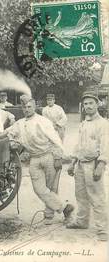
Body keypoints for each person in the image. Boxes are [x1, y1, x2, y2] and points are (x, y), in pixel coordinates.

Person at [6, 97, 74, 224]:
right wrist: (11, 141)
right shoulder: (19, 123)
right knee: (39, 189)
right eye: (24, 107)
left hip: (49, 155)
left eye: (29, 107)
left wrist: (58, 157)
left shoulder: (43, 121)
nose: (27, 109)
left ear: (34, 107)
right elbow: (8, 133)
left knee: (51, 188)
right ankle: (65, 208)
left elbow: (55, 139)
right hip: (34, 158)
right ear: (22, 108)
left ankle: (49, 215)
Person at [66, 91, 108, 242]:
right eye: (85, 104)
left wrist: (101, 165)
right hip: (80, 165)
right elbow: (78, 145)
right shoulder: (84, 123)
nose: (88, 106)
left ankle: (103, 229)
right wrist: (72, 162)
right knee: (81, 195)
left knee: (97, 198)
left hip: (93, 165)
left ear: (97, 104)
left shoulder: (103, 124)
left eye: (91, 103)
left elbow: (105, 147)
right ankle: (82, 221)